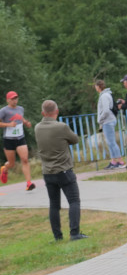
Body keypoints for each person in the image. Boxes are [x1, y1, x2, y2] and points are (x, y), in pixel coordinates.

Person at [35, 100, 87, 242]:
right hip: (63, 171)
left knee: (54, 205)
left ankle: (57, 236)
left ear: (42, 113)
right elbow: (75, 139)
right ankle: (75, 233)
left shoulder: (37, 128)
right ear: (56, 112)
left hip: (47, 172)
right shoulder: (61, 127)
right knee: (74, 201)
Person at [0, 90, 35, 190]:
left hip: (20, 138)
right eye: (12, 99)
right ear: (8, 100)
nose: (15, 100)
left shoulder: (21, 109)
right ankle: (4, 169)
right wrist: (8, 125)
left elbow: (20, 118)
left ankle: (28, 183)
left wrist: (25, 123)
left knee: (24, 159)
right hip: (8, 139)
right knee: (12, 164)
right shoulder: (4, 111)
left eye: (16, 98)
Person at [93, 80, 124, 170]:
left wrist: (100, 119)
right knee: (110, 142)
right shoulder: (105, 95)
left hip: (108, 121)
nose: (95, 88)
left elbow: (106, 110)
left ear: (98, 87)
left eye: (95, 86)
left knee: (111, 142)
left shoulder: (104, 96)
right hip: (107, 121)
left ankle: (120, 161)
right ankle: (113, 161)